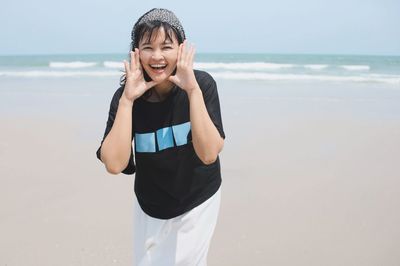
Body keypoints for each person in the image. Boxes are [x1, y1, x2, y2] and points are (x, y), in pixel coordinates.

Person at [96, 8, 226, 266]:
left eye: (166, 46)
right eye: (147, 47)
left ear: (181, 49)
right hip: (150, 205)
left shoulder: (202, 85)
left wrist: (192, 90)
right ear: (136, 53)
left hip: (197, 199)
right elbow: (114, 164)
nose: (157, 56)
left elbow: (209, 153)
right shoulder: (126, 97)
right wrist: (127, 101)